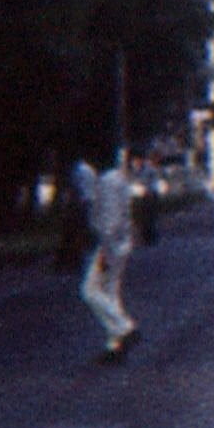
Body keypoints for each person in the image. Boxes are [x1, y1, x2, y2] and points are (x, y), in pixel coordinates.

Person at [75, 155, 140, 362]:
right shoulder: (117, 177)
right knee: (110, 293)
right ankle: (115, 346)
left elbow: (110, 222)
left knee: (89, 290)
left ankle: (124, 328)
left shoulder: (107, 181)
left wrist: (104, 249)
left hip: (110, 244)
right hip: (120, 242)